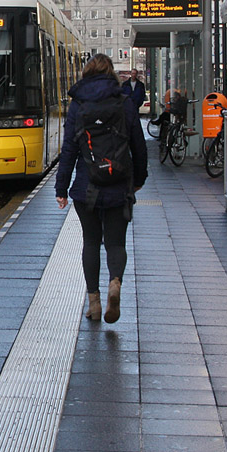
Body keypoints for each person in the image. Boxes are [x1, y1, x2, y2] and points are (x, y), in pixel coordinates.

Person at [55, 54, 148, 324]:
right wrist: (139, 178)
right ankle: (115, 283)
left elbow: (69, 149)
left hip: (87, 186)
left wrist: (62, 187)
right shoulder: (125, 102)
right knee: (116, 242)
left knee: (91, 242)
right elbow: (138, 147)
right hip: (119, 184)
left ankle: (94, 303)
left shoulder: (78, 105)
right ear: (111, 74)